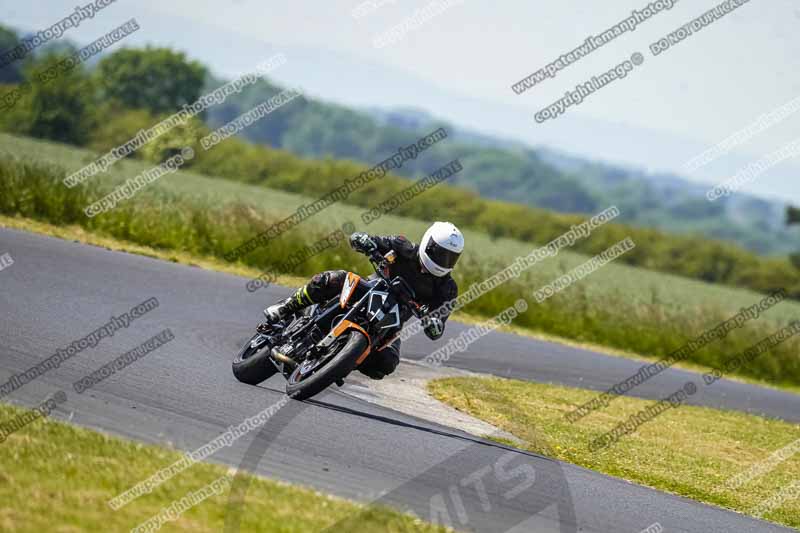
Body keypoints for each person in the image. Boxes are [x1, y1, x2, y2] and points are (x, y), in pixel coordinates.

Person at [262, 221, 464, 379]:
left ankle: (336, 361)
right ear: (428, 243)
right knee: (333, 280)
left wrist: (434, 324)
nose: (443, 261)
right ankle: (286, 307)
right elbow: (370, 240)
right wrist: (365, 240)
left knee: (386, 364)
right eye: (440, 253)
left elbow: (439, 323)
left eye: (450, 257)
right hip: (368, 289)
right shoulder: (403, 247)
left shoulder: (447, 288)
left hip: (392, 322)